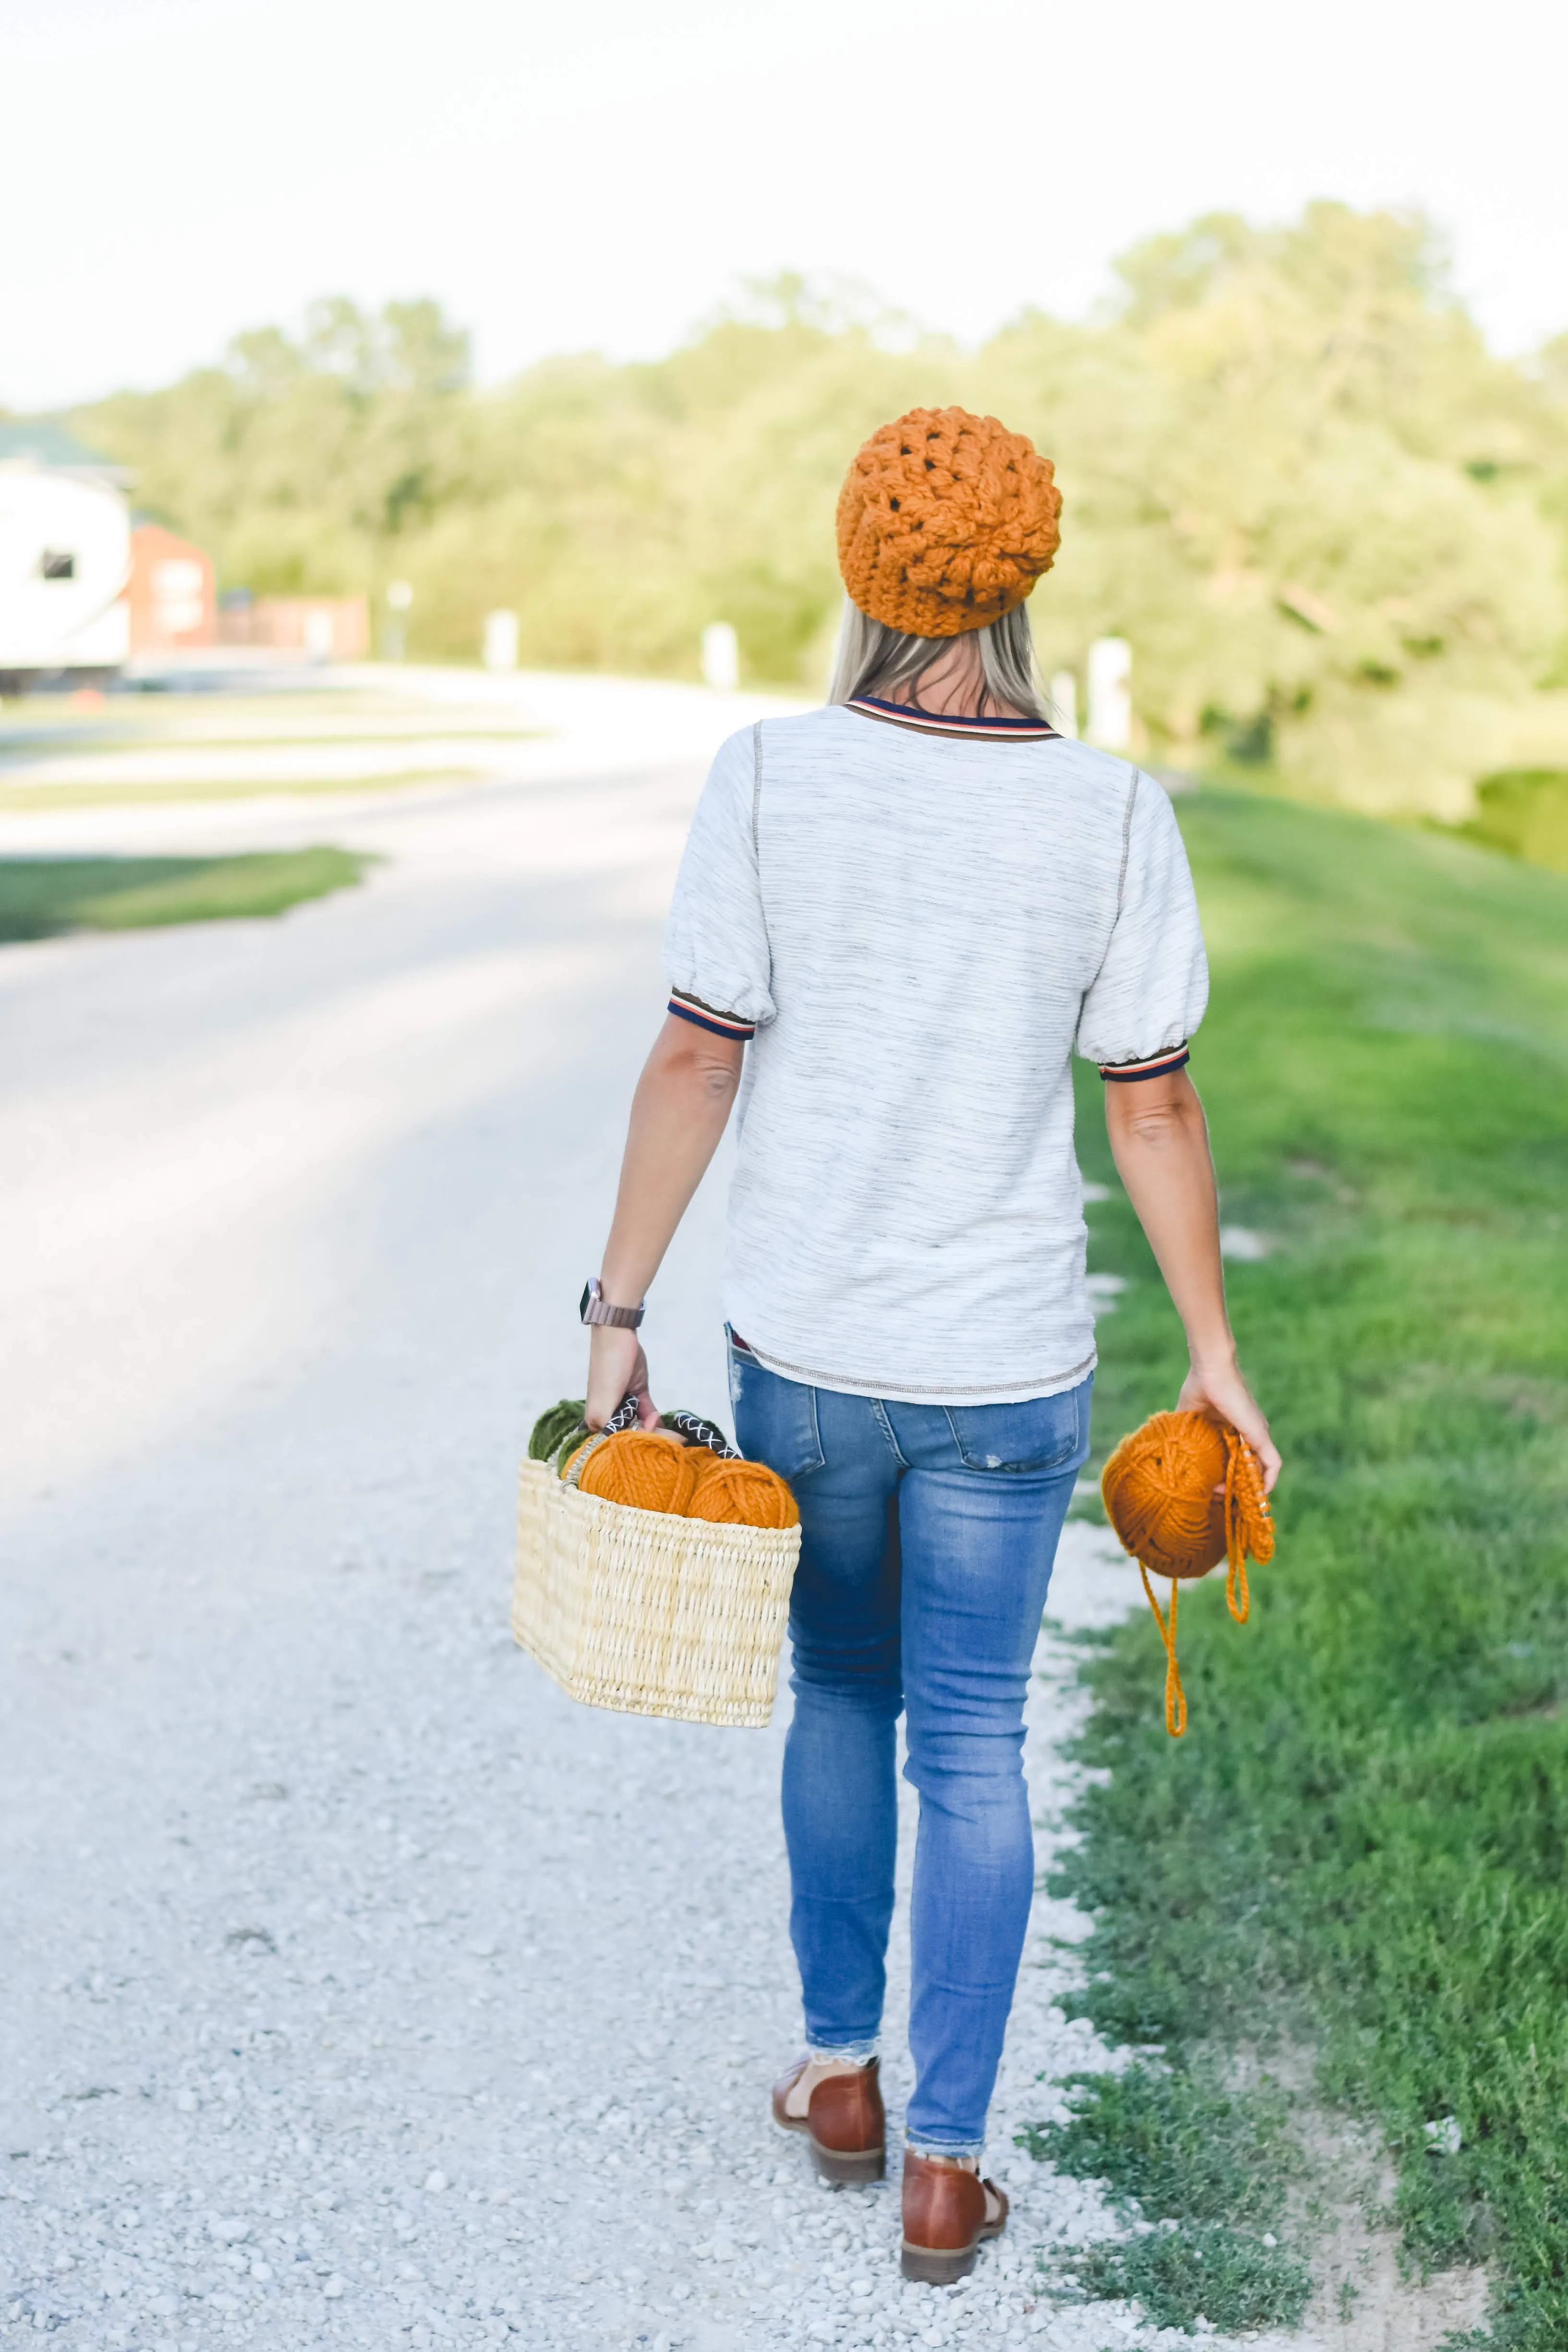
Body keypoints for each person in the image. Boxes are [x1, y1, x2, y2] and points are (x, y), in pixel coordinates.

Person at [580, 405, 1280, 2284]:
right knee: (976, 1736)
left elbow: (694, 1055)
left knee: (844, 1697)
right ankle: (951, 2172)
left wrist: (619, 1314)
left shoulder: (771, 777)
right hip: (1007, 1375)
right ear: (1025, 582)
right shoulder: (1111, 808)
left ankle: (837, 2073)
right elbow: (1152, 1109)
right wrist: (1211, 1352)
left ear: (861, 572)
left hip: (810, 1351)